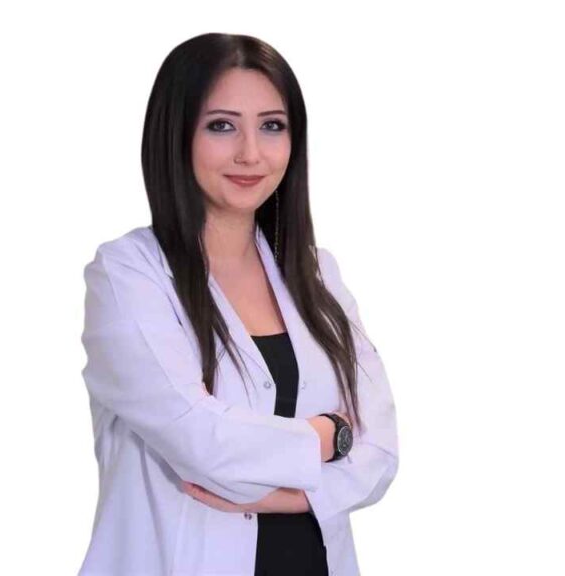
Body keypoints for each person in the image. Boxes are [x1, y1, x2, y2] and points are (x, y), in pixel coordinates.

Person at [78, 32, 399, 576]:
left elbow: (382, 452)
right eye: (221, 126)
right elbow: (199, 441)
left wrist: (287, 496)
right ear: (176, 133)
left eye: (272, 126)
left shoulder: (317, 273)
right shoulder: (128, 275)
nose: (251, 152)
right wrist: (328, 437)